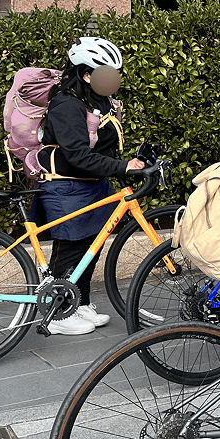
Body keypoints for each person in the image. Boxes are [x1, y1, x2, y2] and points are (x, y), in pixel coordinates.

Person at [36, 37, 145, 335]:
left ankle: (79, 301)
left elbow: (103, 149)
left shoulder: (97, 102)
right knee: (71, 247)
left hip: (93, 185)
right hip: (66, 187)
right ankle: (57, 314)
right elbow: (78, 155)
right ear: (86, 75)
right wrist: (122, 167)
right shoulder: (66, 105)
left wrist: (128, 165)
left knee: (90, 248)